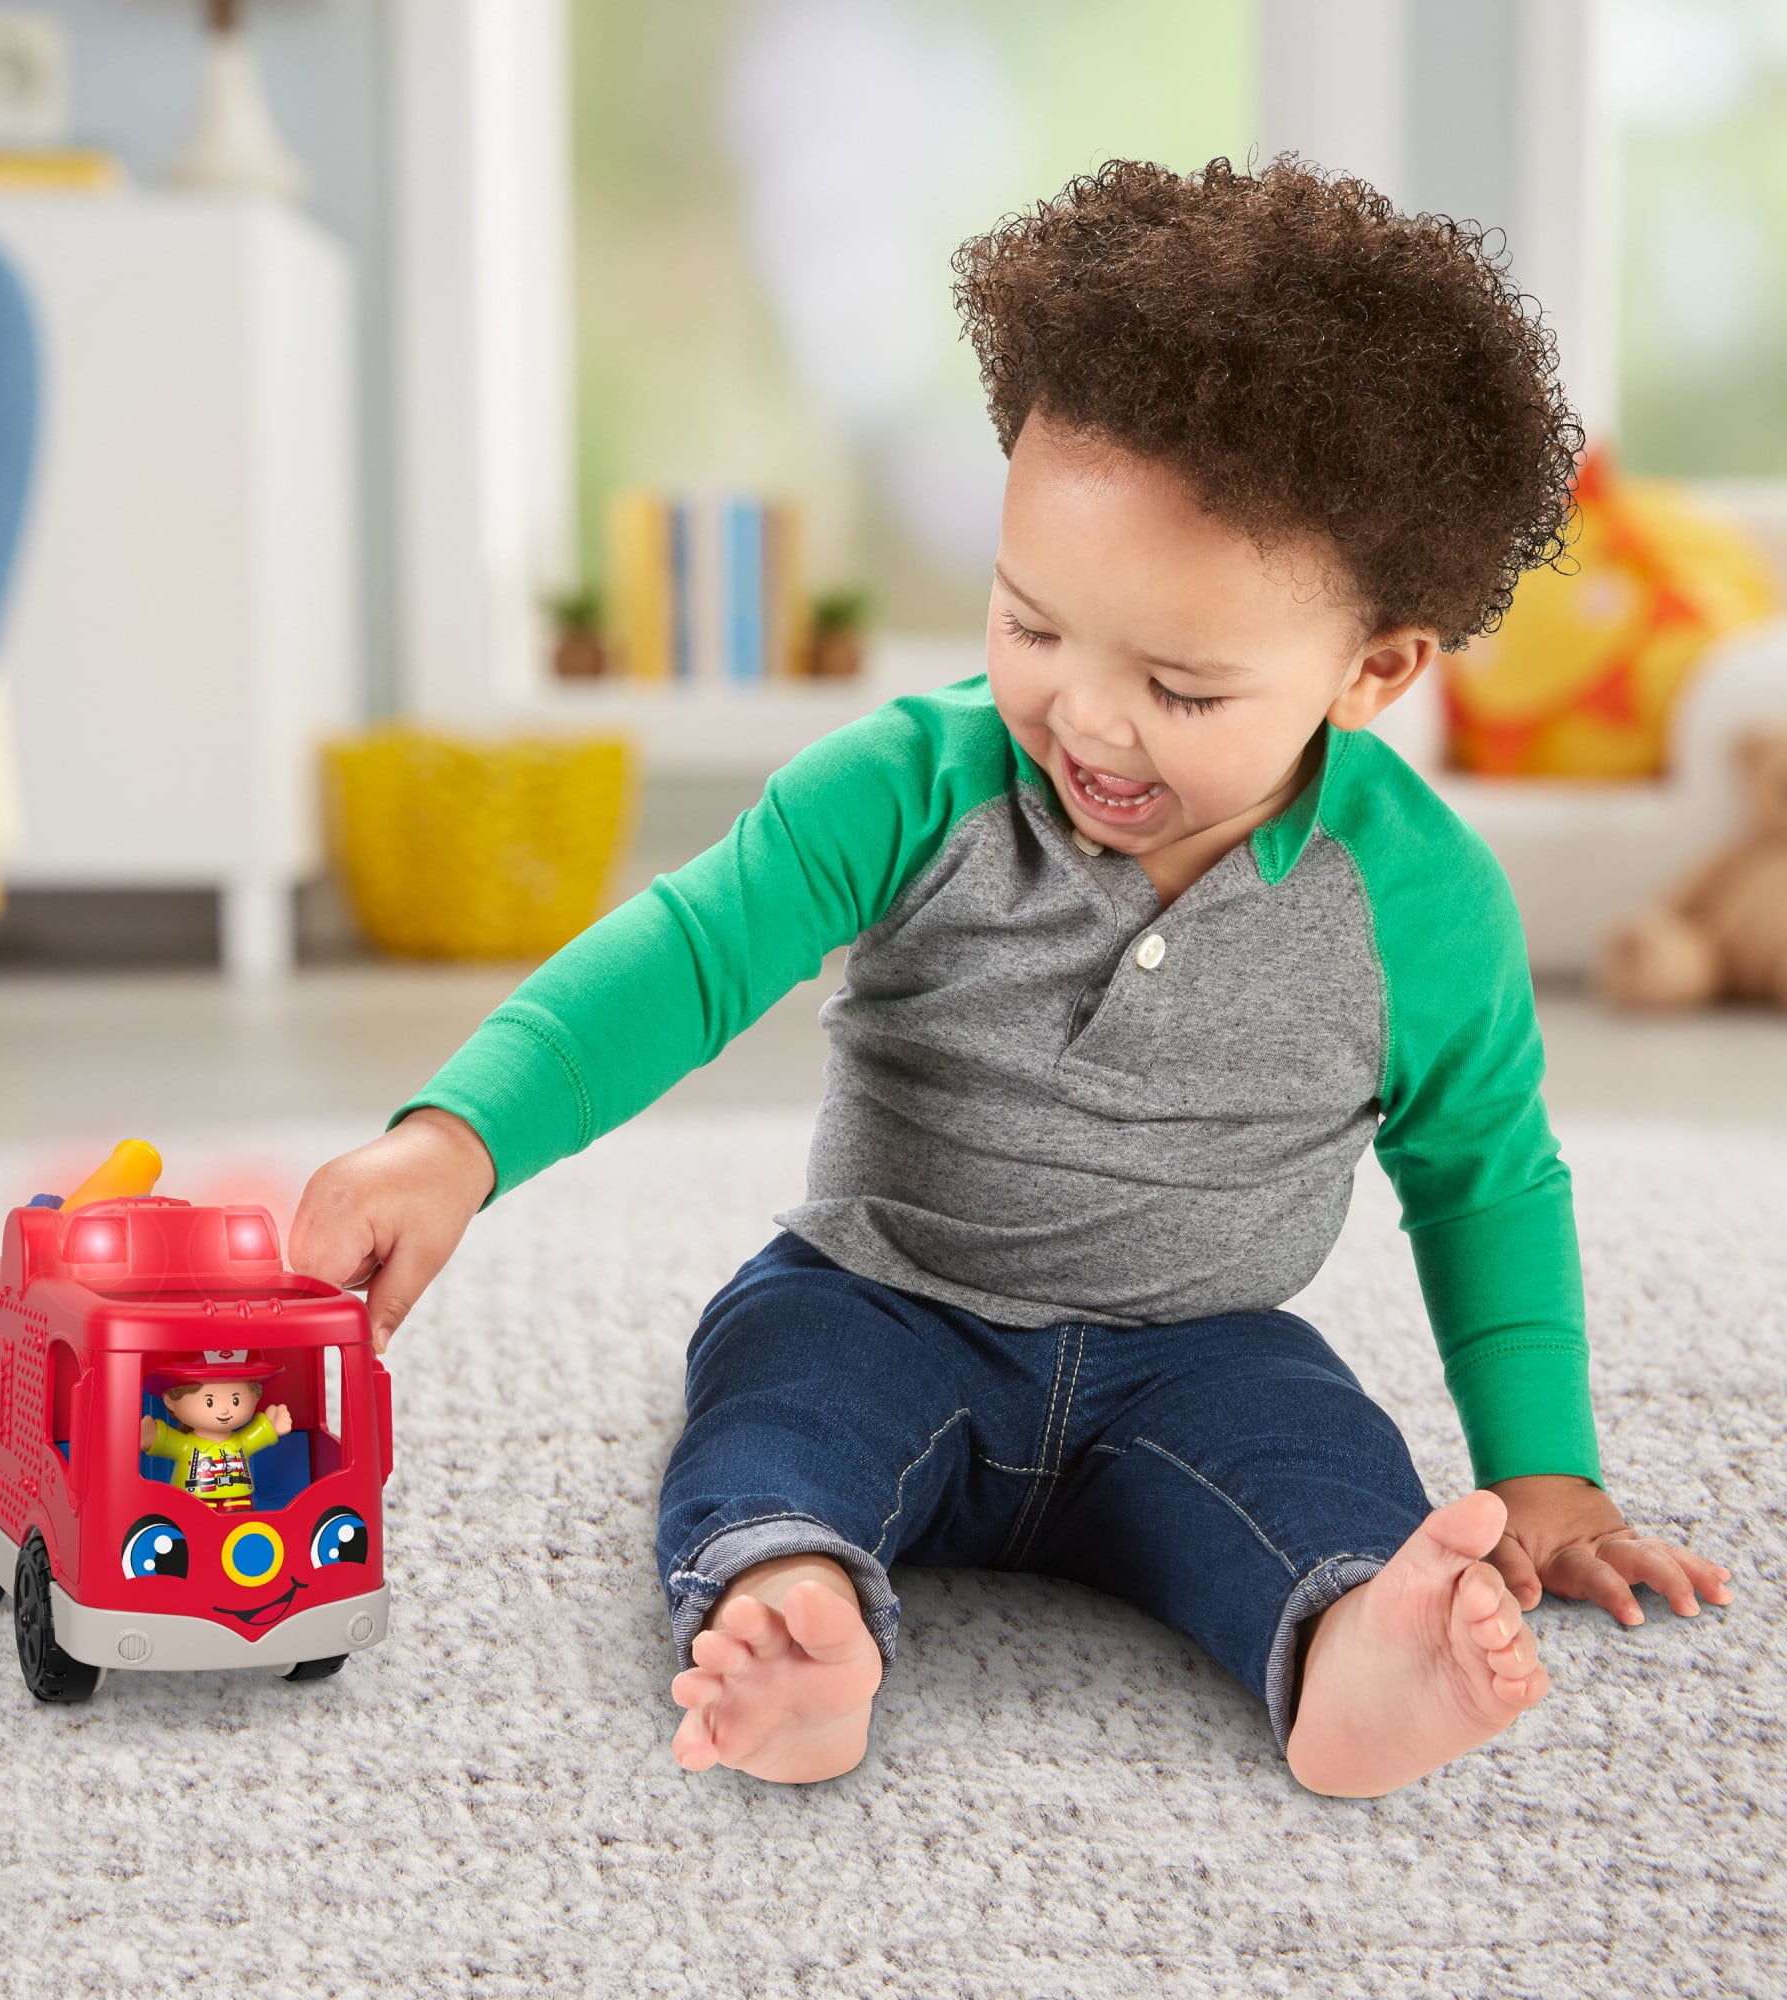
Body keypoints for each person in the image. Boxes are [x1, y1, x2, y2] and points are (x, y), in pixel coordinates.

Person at [290, 158, 1732, 1795]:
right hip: (883, 1296)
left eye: (1181, 688)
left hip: (1204, 1345)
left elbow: (1485, 1181)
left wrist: (1547, 1475)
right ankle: (795, 1615)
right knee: (766, 1416)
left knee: (1332, 1472)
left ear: (1377, 669)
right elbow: (687, 957)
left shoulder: (1420, 902)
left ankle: (1351, 1664)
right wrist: (456, 1138)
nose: (1088, 722)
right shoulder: (913, 784)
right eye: (1031, 625)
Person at [141, 1361, 293, 1511]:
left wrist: (270, 1426)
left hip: (238, 1502)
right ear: (171, 1402)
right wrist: (152, 1435)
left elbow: (257, 1435)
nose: (224, 1410)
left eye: (235, 1400)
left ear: (255, 1398)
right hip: (194, 1502)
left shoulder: (241, 1441)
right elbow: (164, 1440)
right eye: (209, 1402)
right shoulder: (186, 1445)